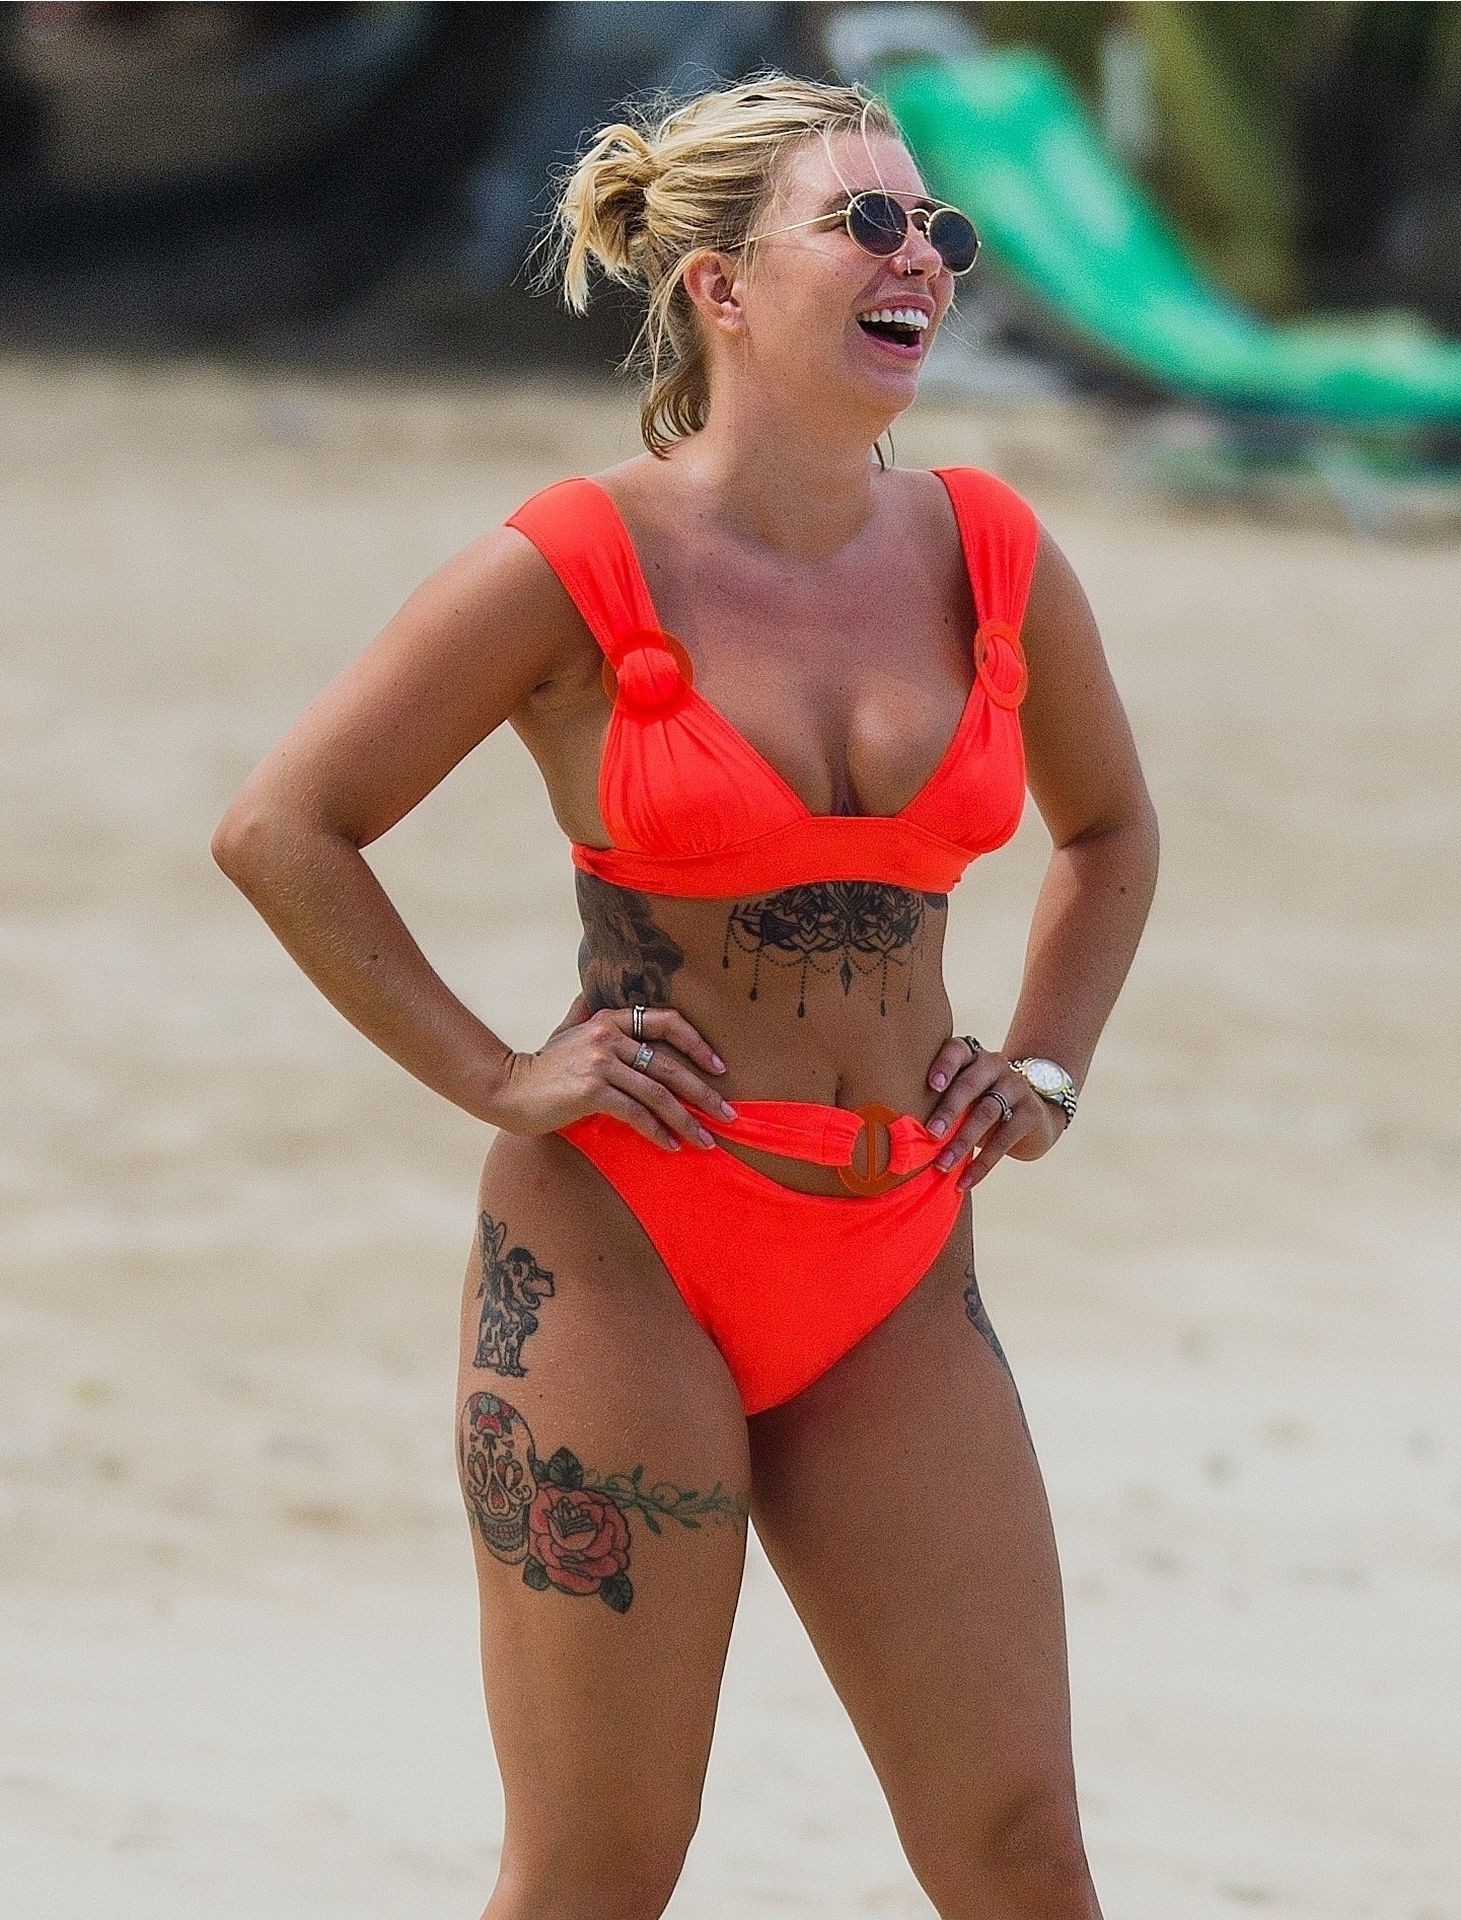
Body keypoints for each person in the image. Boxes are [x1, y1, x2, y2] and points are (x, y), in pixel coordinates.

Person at [211, 69, 1157, 1920]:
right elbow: (283, 828)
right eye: (864, 221)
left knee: (1019, 1854)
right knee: (600, 1869)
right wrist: (497, 1075)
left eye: (938, 228)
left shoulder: (990, 550)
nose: (920, 257)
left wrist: (1046, 1070)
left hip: (897, 1254)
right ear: (719, 285)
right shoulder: (575, 560)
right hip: (621, 1254)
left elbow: (1109, 831)